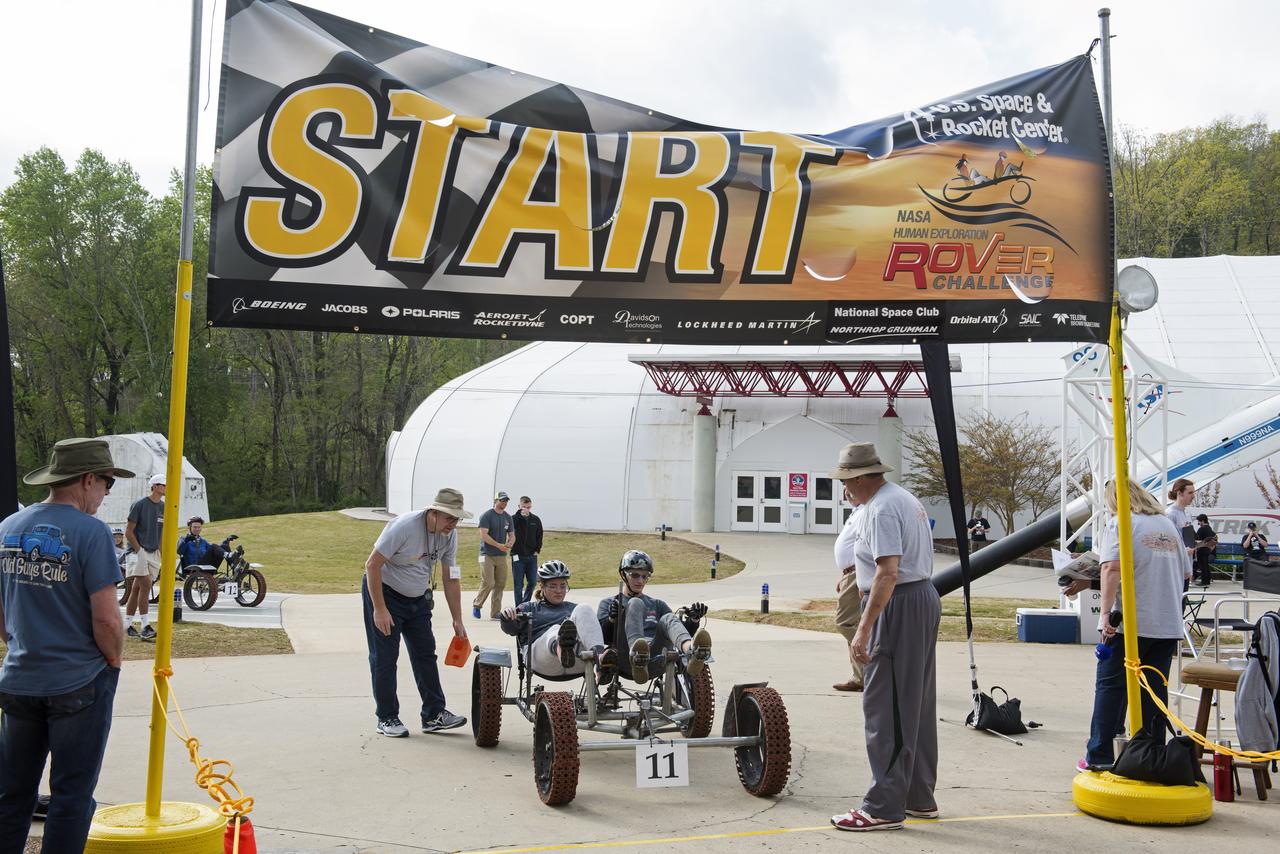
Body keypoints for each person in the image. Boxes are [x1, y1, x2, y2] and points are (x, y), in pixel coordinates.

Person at [0, 437, 130, 852]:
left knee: (12, 795)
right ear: (88, 480)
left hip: (19, 681)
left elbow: (1, 614)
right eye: (107, 483)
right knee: (71, 797)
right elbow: (107, 618)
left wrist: (20, 643)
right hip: (78, 683)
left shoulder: (7, 528)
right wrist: (112, 661)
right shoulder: (91, 533)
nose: (107, 493)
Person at [829, 442, 941, 833]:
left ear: (861, 478)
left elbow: (888, 571)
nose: (844, 490)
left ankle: (882, 806)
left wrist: (864, 627)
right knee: (916, 704)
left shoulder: (879, 507)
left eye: (846, 481)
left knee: (886, 706)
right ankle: (917, 797)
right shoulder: (901, 498)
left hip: (897, 604)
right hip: (919, 597)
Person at [1080, 479, 1190, 771]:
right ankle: (1150, 754)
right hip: (1166, 624)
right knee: (1154, 692)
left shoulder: (1120, 523)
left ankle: (1099, 756)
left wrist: (1105, 614)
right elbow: (1186, 572)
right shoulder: (1168, 526)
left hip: (1130, 623)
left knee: (1111, 688)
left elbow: (1111, 567)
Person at [363, 487, 471, 738]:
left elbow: (450, 577)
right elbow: (372, 565)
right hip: (386, 594)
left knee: (425, 654)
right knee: (385, 657)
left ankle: (434, 714)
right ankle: (387, 717)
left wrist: (458, 619)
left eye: (457, 519)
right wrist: (379, 609)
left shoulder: (449, 536)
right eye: (449, 518)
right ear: (433, 513)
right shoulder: (404, 526)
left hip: (418, 600)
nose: (453, 524)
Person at [597, 551, 711, 682]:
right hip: (625, 660)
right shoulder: (609, 603)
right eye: (635, 575)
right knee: (635, 603)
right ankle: (638, 656)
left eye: (645, 576)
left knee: (668, 618)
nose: (640, 581)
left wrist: (693, 620)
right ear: (623, 575)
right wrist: (612, 619)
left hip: (656, 660)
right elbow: (602, 639)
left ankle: (692, 651)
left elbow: (676, 632)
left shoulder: (657, 604)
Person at [498, 560, 615, 679]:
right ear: (542, 586)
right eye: (553, 586)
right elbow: (511, 629)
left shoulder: (573, 609)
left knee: (584, 608)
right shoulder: (529, 608)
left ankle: (599, 661)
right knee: (556, 629)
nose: (559, 590)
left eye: (563, 585)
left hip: (576, 660)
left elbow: (592, 632)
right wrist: (507, 615)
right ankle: (560, 647)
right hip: (541, 661)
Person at [124, 473, 166, 641]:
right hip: (137, 551)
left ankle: (127, 625)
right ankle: (145, 626)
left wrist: (163, 554)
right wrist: (139, 550)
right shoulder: (140, 505)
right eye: (162, 485)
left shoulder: (163, 507)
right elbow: (128, 531)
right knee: (146, 585)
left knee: (137, 589)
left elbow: (161, 533)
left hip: (153, 552)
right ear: (154, 486)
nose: (165, 488)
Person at [832, 497, 865, 692]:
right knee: (852, 624)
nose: (846, 494)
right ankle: (860, 677)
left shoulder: (867, 511)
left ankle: (873, 665)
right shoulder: (857, 511)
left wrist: (858, 574)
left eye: (849, 487)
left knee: (844, 623)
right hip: (850, 573)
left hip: (857, 573)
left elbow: (865, 546)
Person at [472, 491, 514, 620]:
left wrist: (511, 542)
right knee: (489, 582)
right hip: (487, 554)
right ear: (495, 501)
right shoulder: (487, 516)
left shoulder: (508, 517)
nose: (504, 503)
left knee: (500, 584)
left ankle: (495, 612)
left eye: (506, 500)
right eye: (502, 500)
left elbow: (512, 534)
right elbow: (484, 535)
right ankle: (477, 605)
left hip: (501, 555)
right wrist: (498, 545)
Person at [511, 496, 544, 606]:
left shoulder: (535, 519)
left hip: (531, 556)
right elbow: (511, 528)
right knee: (518, 584)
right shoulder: (514, 518)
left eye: (528, 507)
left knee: (533, 581)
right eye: (524, 507)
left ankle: (525, 605)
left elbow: (540, 535)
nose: (526, 509)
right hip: (517, 556)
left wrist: (537, 550)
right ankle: (518, 607)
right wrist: (519, 515)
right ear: (519, 506)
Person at [1165, 478, 1195, 559]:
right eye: (1190, 493)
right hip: (1177, 565)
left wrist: (1202, 544)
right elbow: (1166, 542)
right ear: (1179, 493)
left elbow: (1185, 540)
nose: (1193, 496)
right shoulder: (1170, 514)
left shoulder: (1187, 514)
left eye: (1193, 492)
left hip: (1187, 564)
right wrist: (1184, 551)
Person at [1193, 513, 1217, 587]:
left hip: (1202, 548)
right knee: (1205, 565)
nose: (1198, 523)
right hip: (1208, 549)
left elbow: (1196, 538)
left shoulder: (1202, 529)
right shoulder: (1209, 528)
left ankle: (1204, 581)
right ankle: (1207, 580)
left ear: (1202, 521)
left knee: (1202, 566)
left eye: (1199, 522)